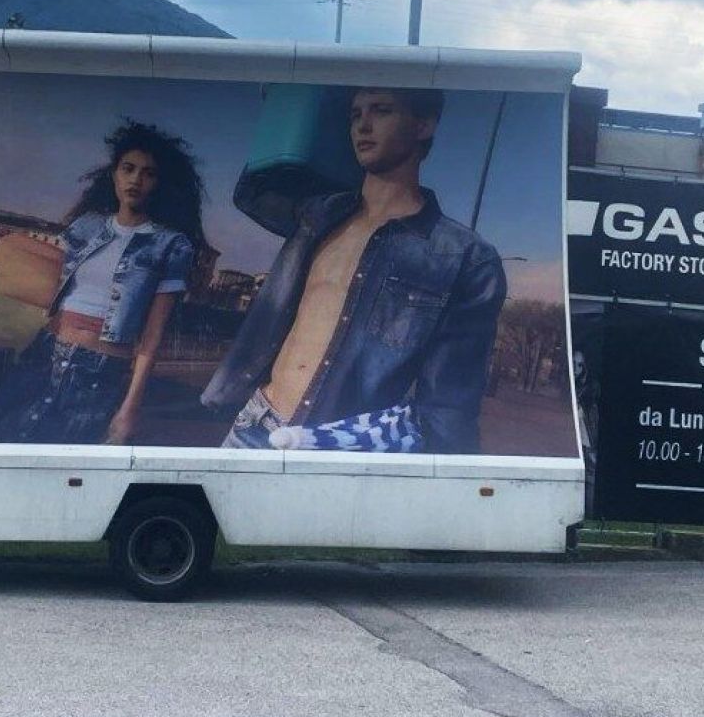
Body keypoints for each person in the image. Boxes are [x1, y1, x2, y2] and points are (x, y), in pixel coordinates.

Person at [201, 87, 506, 454]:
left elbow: (448, 405)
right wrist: (294, 95)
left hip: (339, 448)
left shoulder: (464, 257)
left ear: (423, 125)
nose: (363, 125)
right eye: (355, 115)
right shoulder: (319, 216)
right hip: (254, 426)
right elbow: (252, 194)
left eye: (381, 110)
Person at [0, 120, 204, 445]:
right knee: (2, 444)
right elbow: (49, 285)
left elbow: (152, 336)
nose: (136, 179)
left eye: (148, 173)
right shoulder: (86, 226)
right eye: (128, 168)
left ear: (159, 183)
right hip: (43, 354)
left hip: (98, 372)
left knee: (64, 459)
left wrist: (129, 408)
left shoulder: (170, 245)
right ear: (114, 174)